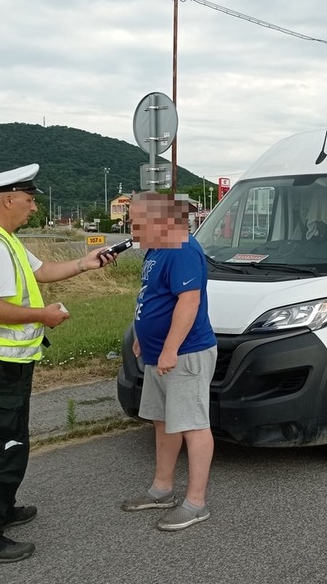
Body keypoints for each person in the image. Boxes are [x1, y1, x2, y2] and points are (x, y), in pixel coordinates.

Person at [0, 163, 117, 564]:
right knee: (2, 445)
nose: (34, 206)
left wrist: (83, 263)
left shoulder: (1, 237)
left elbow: (41, 272)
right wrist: (44, 316)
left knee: (2, 437)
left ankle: (1, 508)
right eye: (29, 198)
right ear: (8, 199)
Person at [120, 192, 217, 531]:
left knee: (192, 424)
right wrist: (141, 339)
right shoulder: (156, 249)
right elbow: (150, 296)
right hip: (157, 353)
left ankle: (196, 504)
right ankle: (162, 490)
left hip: (185, 353)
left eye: (136, 220)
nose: (130, 226)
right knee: (163, 421)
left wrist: (170, 348)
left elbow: (188, 303)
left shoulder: (183, 249)